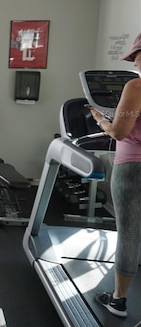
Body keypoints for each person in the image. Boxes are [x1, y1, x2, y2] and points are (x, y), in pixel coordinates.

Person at [90, 32, 141, 318]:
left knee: (130, 233)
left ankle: (118, 301)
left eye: (136, 57)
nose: (135, 63)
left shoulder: (136, 86)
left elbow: (119, 132)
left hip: (133, 166)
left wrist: (101, 120)